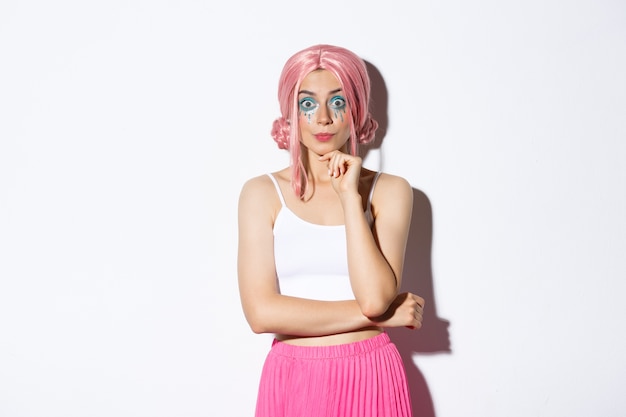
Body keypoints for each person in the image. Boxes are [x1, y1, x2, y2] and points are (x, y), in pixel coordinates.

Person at [237, 44, 425, 417]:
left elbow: (374, 296)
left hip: (370, 373)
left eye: (337, 103)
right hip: (293, 376)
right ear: (291, 114)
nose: (322, 118)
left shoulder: (391, 191)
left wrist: (349, 198)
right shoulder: (261, 194)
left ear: (355, 109)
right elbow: (261, 313)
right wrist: (382, 317)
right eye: (307, 104)